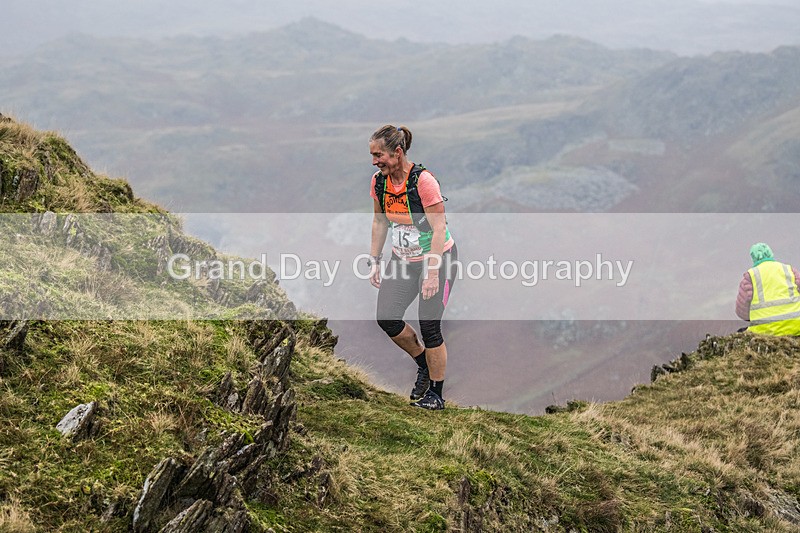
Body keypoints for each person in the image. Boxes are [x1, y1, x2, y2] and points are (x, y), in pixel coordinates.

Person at [367, 124, 458, 410]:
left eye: (379, 154)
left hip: (438, 259)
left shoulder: (423, 182)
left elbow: (439, 227)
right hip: (403, 260)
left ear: (398, 152)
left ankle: (436, 394)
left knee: (430, 326)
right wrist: (375, 261)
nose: (374, 161)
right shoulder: (379, 182)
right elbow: (380, 221)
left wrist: (432, 273)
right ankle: (422, 362)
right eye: (372, 155)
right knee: (387, 318)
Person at [735, 242, 800, 335]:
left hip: (765, 330)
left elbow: (742, 311)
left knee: (741, 333)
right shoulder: (789, 270)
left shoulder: (750, 277)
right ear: (771, 253)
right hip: (796, 327)